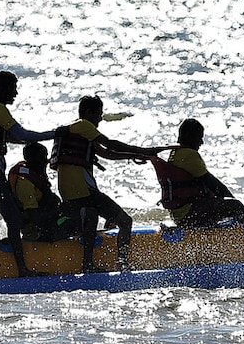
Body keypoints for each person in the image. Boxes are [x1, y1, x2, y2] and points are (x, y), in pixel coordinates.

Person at [52, 94, 162, 273]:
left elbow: (106, 154)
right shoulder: (83, 125)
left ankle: (88, 264)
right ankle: (122, 263)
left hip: (68, 194)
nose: (100, 119)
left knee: (92, 215)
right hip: (84, 192)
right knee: (125, 222)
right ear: (89, 113)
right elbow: (111, 145)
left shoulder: (76, 130)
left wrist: (135, 156)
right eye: (99, 114)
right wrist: (146, 150)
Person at [152, 118, 244, 244]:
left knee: (228, 206)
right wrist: (235, 205)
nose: (201, 142)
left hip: (180, 214)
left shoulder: (175, 153)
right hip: (189, 215)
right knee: (234, 206)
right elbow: (214, 185)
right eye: (199, 137)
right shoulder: (189, 155)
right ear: (191, 137)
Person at [0, 70, 54, 276]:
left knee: (14, 215)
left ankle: (13, 247)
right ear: (4, 88)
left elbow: (14, 138)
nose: (16, 93)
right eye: (14, 88)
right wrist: (54, 133)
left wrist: (36, 140)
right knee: (15, 220)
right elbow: (23, 135)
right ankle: (22, 269)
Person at [9, 142, 75, 242]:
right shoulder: (24, 183)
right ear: (34, 160)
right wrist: (57, 211)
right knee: (69, 222)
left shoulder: (34, 175)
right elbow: (34, 216)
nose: (46, 161)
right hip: (36, 228)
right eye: (43, 158)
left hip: (48, 218)